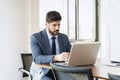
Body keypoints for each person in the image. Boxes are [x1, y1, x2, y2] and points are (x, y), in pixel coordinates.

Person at [30, 11, 71, 80]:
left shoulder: (64, 37)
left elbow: (71, 53)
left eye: (59, 25)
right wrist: (56, 57)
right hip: (44, 72)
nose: (57, 28)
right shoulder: (36, 37)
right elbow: (37, 58)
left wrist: (70, 56)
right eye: (54, 25)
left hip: (61, 71)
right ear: (46, 24)